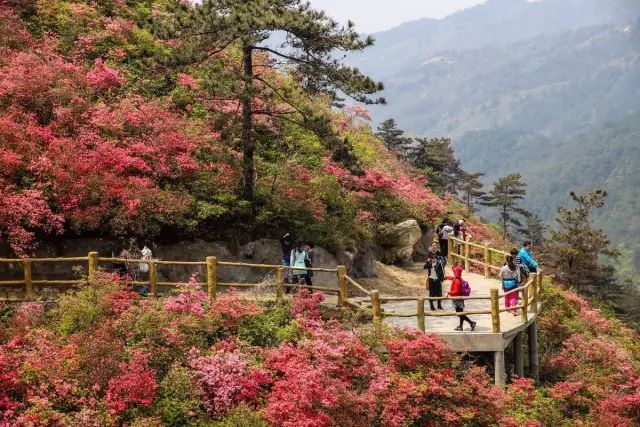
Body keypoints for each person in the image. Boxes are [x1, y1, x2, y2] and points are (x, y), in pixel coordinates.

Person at [446, 265, 476, 331]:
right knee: (460, 313)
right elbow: (451, 278)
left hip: (458, 299)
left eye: (454, 271)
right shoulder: (458, 279)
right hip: (459, 298)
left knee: (459, 313)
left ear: (456, 272)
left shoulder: (457, 281)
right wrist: (446, 277)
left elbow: (456, 291)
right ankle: (461, 326)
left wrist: (449, 293)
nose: (453, 273)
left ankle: (471, 323)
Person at [423, 242, 445, 310]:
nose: (434, 246)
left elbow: (444, 262)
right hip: (431, 277)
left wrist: (439, 262)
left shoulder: (440, 253)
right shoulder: (429, 254)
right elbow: (425, 266)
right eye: (433, 245)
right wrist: (429, 262)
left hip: (438, 276)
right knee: (431, 292)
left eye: (435, 245)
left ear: (437, 246)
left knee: (439, 292)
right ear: (431, 247)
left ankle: (439, 305)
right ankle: (431, 306)